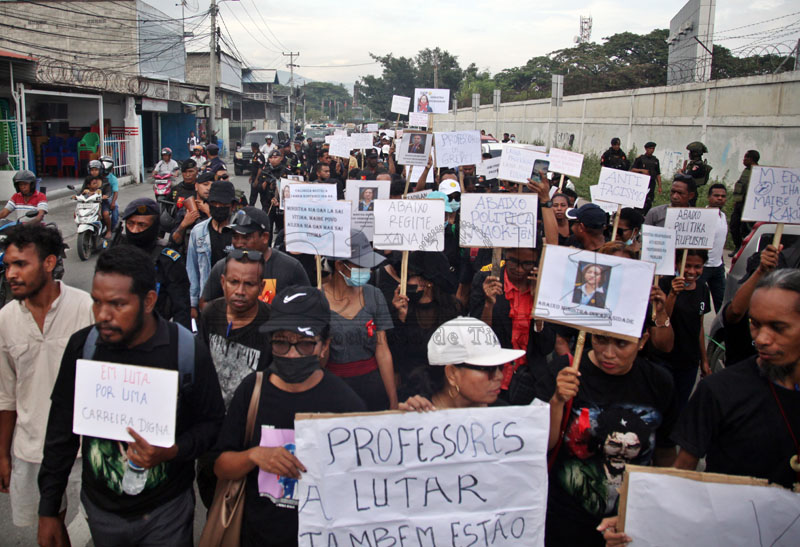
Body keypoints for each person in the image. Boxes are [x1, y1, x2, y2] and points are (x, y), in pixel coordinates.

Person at [37, 245, 225, 547]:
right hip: (101, 513)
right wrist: (48, 510)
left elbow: (213, 424)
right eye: (97, 303)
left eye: (117, 305)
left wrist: (172, 451)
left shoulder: (185, 352)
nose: (103, 315)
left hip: (167, 513)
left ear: (149, 300)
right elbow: (60, 432)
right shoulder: (83, 348)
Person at [212, 286, 366, 547]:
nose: (292, 353)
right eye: (281, 342)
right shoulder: (252, 391)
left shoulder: (345, 403)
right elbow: (221, 465)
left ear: (324, 346)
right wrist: (253, 456)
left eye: (305, 343)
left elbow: (369, 476)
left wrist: (410, 421)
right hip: (257, 537)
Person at [537, 326, 677, 547]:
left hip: (628, 526)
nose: (609, 353)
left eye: (622, 343)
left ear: (642, 341)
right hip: (564, 522)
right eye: (600, 339)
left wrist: (655, 511)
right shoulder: (566, 371)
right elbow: (542, 445)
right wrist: (557, 401)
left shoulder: (659, 382)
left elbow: (666, 453)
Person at [672, 269, 800, 491]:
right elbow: (680, 475)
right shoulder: (718, 391)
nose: (761, 339)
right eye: (755, 324)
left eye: (778, 328)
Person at [0, 224, 93, 528]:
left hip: (82, 452)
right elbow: (7, 395)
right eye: (7, 265)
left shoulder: (86, 308)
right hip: (30, 451)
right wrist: (3, 454)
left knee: (93, 527)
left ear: (49, 263)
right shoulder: (5, 320)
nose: (11, 273)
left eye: (20, 264)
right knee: (47, 533)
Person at [324, 230, 397, 411]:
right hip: (333, 391)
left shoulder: (374, 295)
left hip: (372, 389)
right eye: (362, 266)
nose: (368, 271)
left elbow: (382, 349)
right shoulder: (316, 299)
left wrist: (393, 400)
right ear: (340, 265)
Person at [399, 317, 525, 411]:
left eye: (500, 367)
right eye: (488, 369)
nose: (499, 376)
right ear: (452, 374)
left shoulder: (504, 415)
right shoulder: (419, 415)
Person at [200, 207, 310, 307]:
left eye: (246, 237)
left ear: (265, 237)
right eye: (235, 237)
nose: (239, 243)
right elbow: (205, 303)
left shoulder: (290, 268)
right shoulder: (222, 267)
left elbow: (307, 307)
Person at [387, 252, 461, 393]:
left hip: (443, 386)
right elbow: (395, 354)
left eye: (410, 276)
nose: (406, 282)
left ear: (428, 282)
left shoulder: (451, 310)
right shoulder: (401, 308)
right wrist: (400, 320)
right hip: (409, 387)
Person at [469, 246, 539, 395]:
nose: (519, 269)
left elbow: (546, 345)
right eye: (513, 261)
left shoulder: (541, 286)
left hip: (531, 380)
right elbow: (478, 337)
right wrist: (488, 304)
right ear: (505, 255)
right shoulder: (486, 279)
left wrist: (538, 301)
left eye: (527, 264)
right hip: (494, 375)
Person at [121, 198, 191, 329]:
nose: (135, 230)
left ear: (154, 227)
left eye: (142, 225)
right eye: (130, 224)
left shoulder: (168, 260)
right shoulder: (118, 253)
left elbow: (181, 307)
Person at [656, 249, 711, 412]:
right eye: (687, 266)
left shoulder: (702, 289)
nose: (692, 272)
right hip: (665, 360)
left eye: (697, 267)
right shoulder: (665, 284)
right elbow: (662, 319)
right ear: (677, 264)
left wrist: (704, 360)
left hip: (689, 362)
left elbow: (699, 326)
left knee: (679, 408)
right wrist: (672, 294)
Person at [187, 181, 236, 319]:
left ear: (232, 206)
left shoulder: (241, 233)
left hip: (236, 303)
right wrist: (193, 304)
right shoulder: (198, 232)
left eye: (223, 205)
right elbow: (192, 270)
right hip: (207, 302)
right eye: (214, 204)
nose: (218, 207)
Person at [700, 184, 728, 312]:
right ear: (709, 197)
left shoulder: (723, 216)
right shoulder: (702, 216)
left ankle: (721, 331)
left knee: (722, 304)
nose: (720, 198)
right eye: (716, 195)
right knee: (698, 303)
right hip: (702, 267)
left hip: (718, 267)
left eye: (723, 196)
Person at [729, 149, 760, 252]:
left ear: (751, 159)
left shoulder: (757, 172)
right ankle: (738, 247)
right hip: (740, 204)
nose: (743, 160)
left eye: (745, 157)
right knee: (734, 226)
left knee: (746, 229)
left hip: (748, 206)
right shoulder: (746, 171)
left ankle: (745, 250)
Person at [630, 142, 661, 213]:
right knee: (639, 201)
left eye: (653, 148)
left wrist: (660, 186)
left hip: (651, 183)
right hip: (641, 184)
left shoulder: (655, 160)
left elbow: (658, 174)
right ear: (646, 149)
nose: (652, 150)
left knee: (649, 201)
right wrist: (642, 170)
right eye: (650, 148)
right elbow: (632, 170)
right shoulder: (640, 159)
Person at [248, 142, 267, 208]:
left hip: (259, 179)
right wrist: (251, 176)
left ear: (253, 147)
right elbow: (254, 167)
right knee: (252, 197)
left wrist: (256, 179)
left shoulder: (259, 156)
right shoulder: (255, 155)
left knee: (263, 197)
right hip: (254, 177)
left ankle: (264, 211)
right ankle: (251, 209)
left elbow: (260, 168)